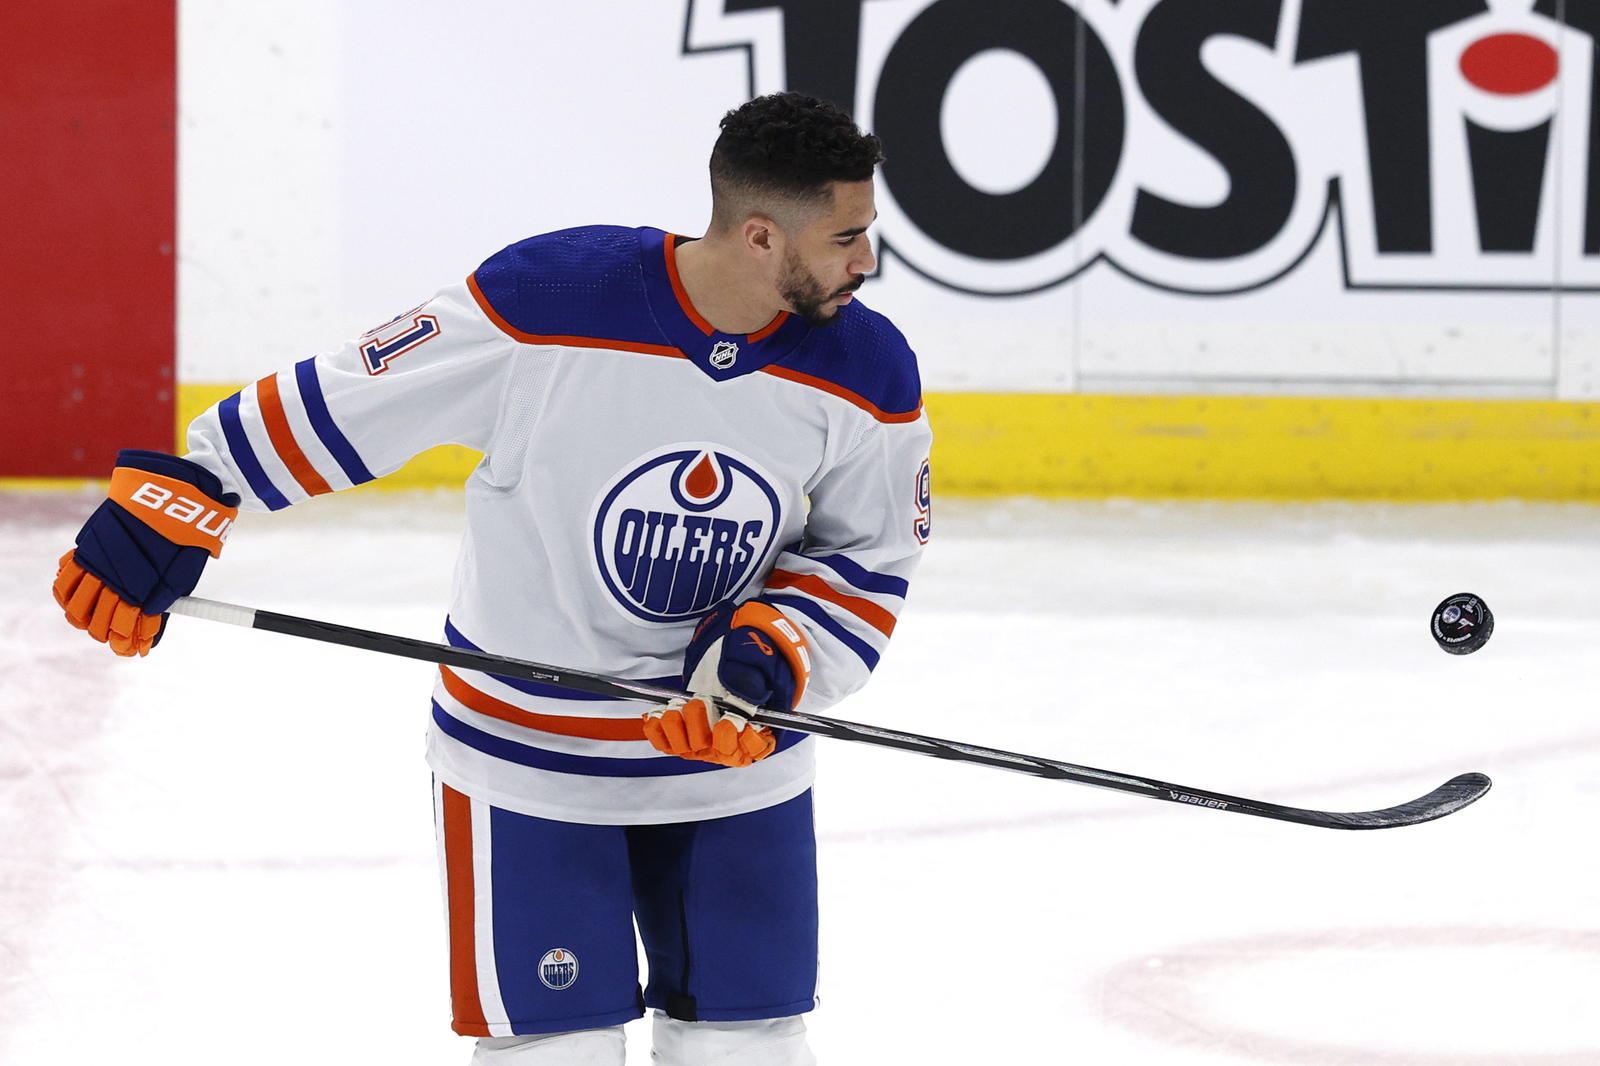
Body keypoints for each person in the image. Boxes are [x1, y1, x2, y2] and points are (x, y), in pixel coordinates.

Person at [52, 91, 931, 1065]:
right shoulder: (553, 298)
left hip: (731, 770)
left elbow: (866, 557)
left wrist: (767, 664)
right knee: (553, 1055)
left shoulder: (869, 371)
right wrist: (201, 480)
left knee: (751, 1048)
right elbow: (370, 388)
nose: (866, 261)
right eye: (848, 236)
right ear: (762, 235)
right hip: (527, 763)